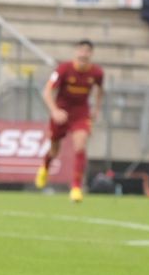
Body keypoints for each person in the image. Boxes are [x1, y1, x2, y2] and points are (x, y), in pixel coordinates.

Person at [35, 41, 105, 203]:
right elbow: (47, 91)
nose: (83, 54)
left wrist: (97, 109)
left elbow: (100, 90)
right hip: (62, 112)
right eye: (81, 50)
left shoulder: (97, 73)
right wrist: (54, 111)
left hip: (81, 114)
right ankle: (45, 167)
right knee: (54, 150)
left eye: (87, 51)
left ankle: (76, 188)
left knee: (80, 145)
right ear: (76, 52)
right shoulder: (63, 69)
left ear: (91, 54)